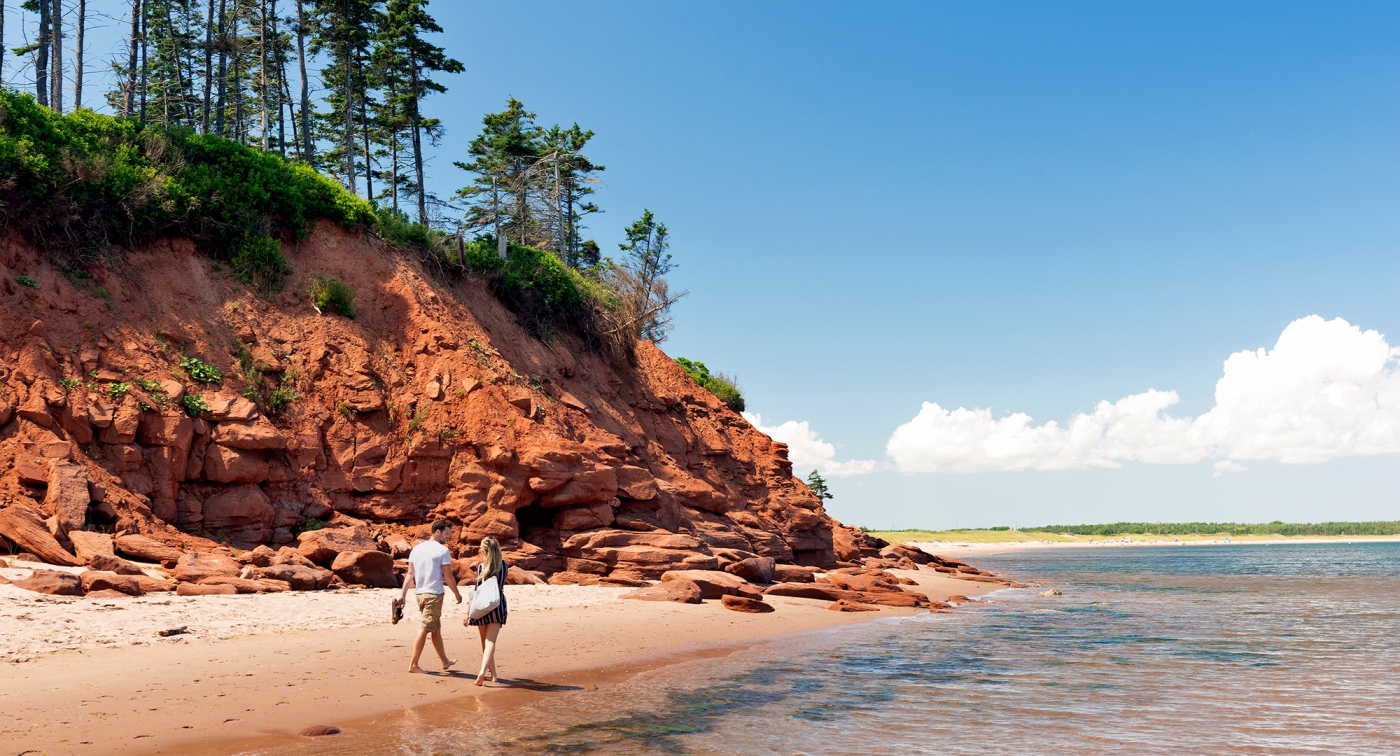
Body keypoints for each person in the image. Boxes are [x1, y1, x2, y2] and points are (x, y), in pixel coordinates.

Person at [395, 520, 462, 674]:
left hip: (420, 594)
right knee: (425, 628)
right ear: (437, 531)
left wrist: (403, 594)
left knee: (435, 628)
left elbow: (410, 574)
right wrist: (457, 594)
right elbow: (448, 576)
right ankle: (413, 665)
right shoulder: (442, 551)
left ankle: (445, 661)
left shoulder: (416, 549)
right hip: (434, 595)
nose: (448, 538)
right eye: (446, 534)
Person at [466, 535, 509, 686]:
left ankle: (493, 675)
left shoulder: (480, 567)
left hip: (482, 606)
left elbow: (477, 590)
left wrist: (468, 612)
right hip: (497, 606)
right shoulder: (504, 566)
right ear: (497, 549)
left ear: (484, 551)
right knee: (490, 642)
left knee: (485, 643)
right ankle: (485, 672)